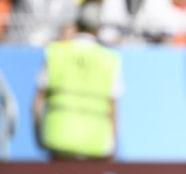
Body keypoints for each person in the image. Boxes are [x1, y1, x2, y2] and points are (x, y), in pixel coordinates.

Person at [33, 2, 123, 161]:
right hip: (95, 145)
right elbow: (113, 111)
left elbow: (37, 105)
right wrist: (113, 147)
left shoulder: (56, 53)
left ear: (77, 24)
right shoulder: (109, 60)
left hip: (58, 141)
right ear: (98, 28)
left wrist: (39, 137)